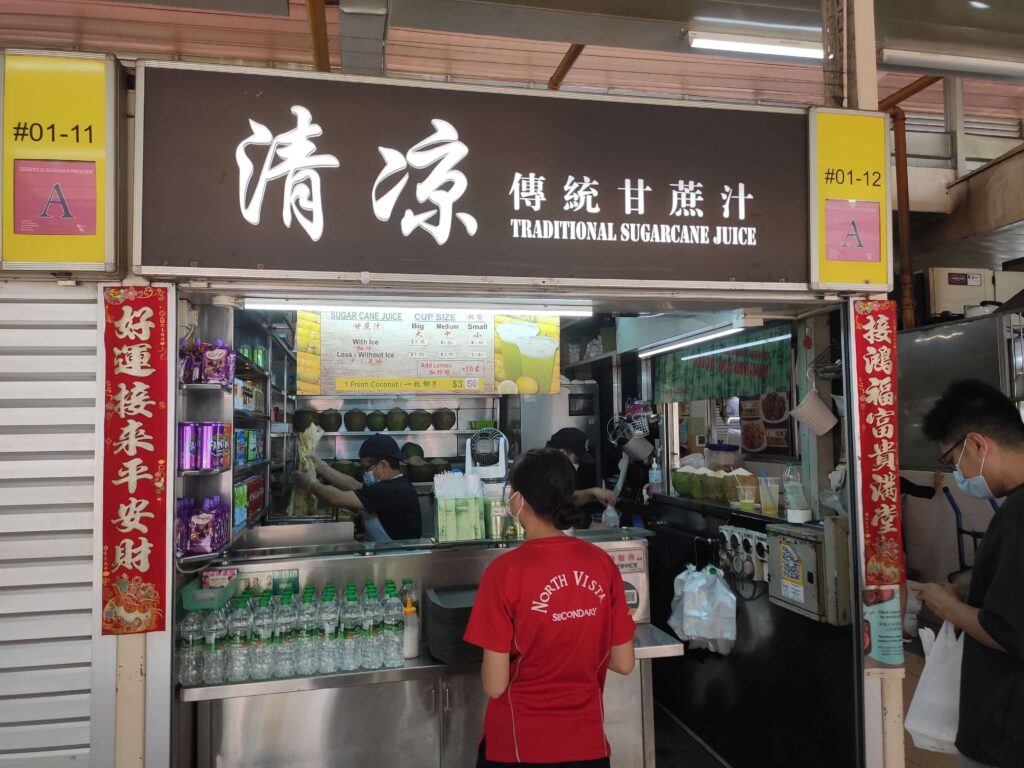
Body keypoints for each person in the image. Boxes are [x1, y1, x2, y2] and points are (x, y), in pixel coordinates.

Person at [464, 448, 636, 767]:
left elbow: (495, 683)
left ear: (518, 500)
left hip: (518, 747)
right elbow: (624, 662)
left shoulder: (503, 573)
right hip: (588, 748)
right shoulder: (601, 563)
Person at [914, 380, 1024, 768]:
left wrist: (946, 605)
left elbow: (1007, 630)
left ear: (977, 444)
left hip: (1007, 730)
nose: (955, 473)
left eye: (951, 459)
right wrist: (971, 584)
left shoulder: (1017, 518)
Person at [292, 433, 421, 542]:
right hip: (386, 553)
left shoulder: (391, 490)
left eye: (366, 467)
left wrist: (310, 484)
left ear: (383, 465)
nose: (364, 472)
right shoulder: (395, 483)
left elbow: (335, 498)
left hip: (399, 560)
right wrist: (321, 467)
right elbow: (353, 485)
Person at [546, 427, 617, 509]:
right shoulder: (542, 473)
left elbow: (567, 498)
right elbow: (560, 500)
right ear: (562, 453)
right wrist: (593, 492)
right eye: (576, 460)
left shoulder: (559, 472)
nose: (577, 465)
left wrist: (593, 492)